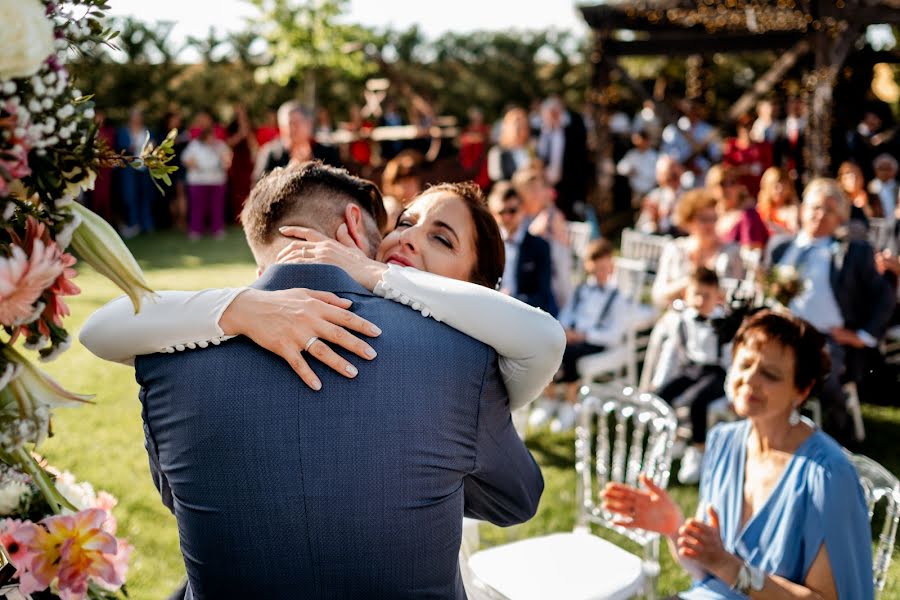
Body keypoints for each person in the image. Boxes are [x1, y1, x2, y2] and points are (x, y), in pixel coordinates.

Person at [80, 163, 552, 598]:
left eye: (442, 239)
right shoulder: (462, 361)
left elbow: (176, 497)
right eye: (403, 223)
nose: (407, 241)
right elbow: (516, 498)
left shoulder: (168, 361)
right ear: (355, 224)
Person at [602, 310, 875, 600]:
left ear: (802, 390)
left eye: (769, 374)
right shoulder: (723, 441)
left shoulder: (829, 475)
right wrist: (675, 527)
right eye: (744, 364)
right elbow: (709, 570)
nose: (749, 379)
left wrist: (727, 564)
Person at [769, 178, 895, 443]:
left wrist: (863, 336)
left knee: (820, 374)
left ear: (840, 218)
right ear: (802, 210)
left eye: (829, 210)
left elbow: (884, 294)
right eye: (815, 208)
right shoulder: (782, 248)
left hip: (826, 339)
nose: (820, 215)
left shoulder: (851, 252)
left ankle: (840, 437)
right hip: (778, 333)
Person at [530, 239, 630, 433]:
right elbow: (567, 314)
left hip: (597, 341)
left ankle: (570, 402)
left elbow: (614, 335)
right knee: (546, 346)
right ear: (588, 267)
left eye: (604, 268)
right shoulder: (581, 290)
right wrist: (565, 329)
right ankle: (549, 397)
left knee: (569, 354)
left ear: (611, 267)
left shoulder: (618, 297)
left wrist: (584, 335)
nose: (599, 274)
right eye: (595, 270)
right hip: (574, 336)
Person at [650, 268, 730, 484]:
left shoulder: (724, 324)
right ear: (686, 294)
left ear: (717, 297)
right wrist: (659, 380)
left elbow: (732, 361)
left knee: (697, 401)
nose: (700, 300)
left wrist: (732, 394)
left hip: (716, 372)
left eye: (707, 296)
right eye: (696, 294)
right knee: (662, 395)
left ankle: (698, 449)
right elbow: (671, 353)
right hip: (690, 368)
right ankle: (671, 437)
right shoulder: (682, 319)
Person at [651, 188, 743, 309]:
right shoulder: (675, 249)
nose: (709, 224)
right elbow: (658, 296)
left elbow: (739, 296)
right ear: (688, 220)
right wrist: (687, 283)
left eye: (713, 218)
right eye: (704, 219)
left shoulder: (731, 252)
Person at [489, 181, 556, 315]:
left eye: (512, 211)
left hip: (525, 314)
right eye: (501, 212)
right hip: (492, 310)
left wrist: (511, 300)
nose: (507, 217)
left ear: (522, 210)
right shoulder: (489, 244)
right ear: (493, 213)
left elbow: (543, 295)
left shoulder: (539, 246)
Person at [512, 165, 573, 309]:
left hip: (552, 287)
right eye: (532, 190)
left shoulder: (552, 217)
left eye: (539, 188)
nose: (539, 193)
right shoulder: (518, 217)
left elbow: (562, 264)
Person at [253, 101, 340, 182]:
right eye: (286, 125)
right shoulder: (270, 153)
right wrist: (291, 169)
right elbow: (259, 188)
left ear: (309, 124)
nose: (291, 129)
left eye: (295, 123)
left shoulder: (328, 152)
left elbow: (339, 185)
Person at [181, 110, 232, 240]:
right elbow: (185, 159)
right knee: (198, 208)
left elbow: (228, 158)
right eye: (209, 136)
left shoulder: (220, 145)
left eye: (213, 135)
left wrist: (224, 160)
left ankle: (217, 229)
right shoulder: (195, 145)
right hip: (198, 181)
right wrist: (195, 165)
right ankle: (196, 230)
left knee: (217, 207)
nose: (212, 138)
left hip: (217, 180)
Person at [536, 96, 589, 221]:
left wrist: (580, 197)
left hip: (569, 189)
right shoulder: (542, 132)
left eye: (555, 113)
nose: (551, 118)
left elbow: (580, 164)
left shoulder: (573, 130)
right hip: (547, 188)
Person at [706, 165, 769, 250]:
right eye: (722, 183)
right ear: (711, 188)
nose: (728, 188)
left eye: (732, 182)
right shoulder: (706, 217)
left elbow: (752, 253)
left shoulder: (749, 215)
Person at [115, 107, 156, 237]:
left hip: (144, 168)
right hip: (129, 169)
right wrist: (129, 149)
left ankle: (146, 224)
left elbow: (153, 147)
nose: (137, 119)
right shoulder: (123, 131)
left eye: (139, 116)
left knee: (145, 196)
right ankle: (133, 224)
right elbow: (121, 148)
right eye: (134, 116)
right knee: (130, 196)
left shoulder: (147, 131)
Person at [636, 155, 684, 235]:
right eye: (667, 176)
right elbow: (642, 228)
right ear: (659, 177)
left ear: (680, 172)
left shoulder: (690, 196)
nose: (671, 179)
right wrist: (655, 221)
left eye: (674, 175)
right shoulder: (654, 197)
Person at [225, 103, 258, 223]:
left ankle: (248, 216)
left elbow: (254, 144)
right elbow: (228, 143)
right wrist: (240, 134)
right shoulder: (231, 126)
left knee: (248, 188)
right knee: (236, 190)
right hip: (236, 161)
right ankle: (237, 217)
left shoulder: (251, 126)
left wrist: (246, 130)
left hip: (247, 162)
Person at [487, 107, 532, 184]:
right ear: (506, 127)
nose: (518, 128)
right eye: (514, 123)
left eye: (522, 124)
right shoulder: (497, 152)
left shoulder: (532, 149)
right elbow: (497, 177)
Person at [616, 129, 659, 209]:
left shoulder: (654, 156)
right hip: (636, 192)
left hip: (650, 191)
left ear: (646, 140)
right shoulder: (632, 154)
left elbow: (656, 175)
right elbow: (620, 167)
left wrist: (640, 173)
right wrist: (629, 170)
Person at [756, 166, 799, 236]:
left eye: (784, 185)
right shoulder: (760, 211)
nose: (780, 190)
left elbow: (794, 233)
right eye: (776, 186)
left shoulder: (794, 210)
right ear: (767, 187)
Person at [868, 153, 899, 227]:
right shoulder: (870, 187)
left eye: (888, 169)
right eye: (881, 168)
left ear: (894, 171)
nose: (884, 172)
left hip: (895, 225)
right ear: (876, 170)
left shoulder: (898, 187)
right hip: (876, 226)